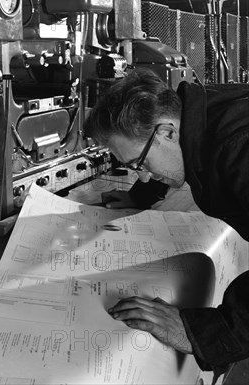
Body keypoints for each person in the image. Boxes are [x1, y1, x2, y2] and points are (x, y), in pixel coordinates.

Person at [83, 68, 249, 378]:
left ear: (167, 132)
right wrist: (142, 193)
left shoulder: (238, 149)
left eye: (140, 164)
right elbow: (180, 152)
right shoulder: (199, 111)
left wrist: (206, 333)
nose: (142, 173)